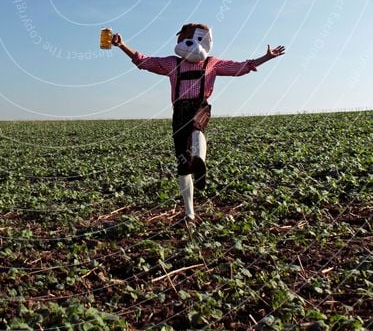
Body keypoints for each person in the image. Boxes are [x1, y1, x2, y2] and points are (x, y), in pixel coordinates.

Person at [111, 23, 285, 223]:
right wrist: (122, 45)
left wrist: (267, 57)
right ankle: (189, 213)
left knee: (196, 127)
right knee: (182, 165)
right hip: (179, 112)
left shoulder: (212, 63)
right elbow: (144, 61)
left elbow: (239, 68)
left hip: (200, 107)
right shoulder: (172, 64)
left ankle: (199, 160)